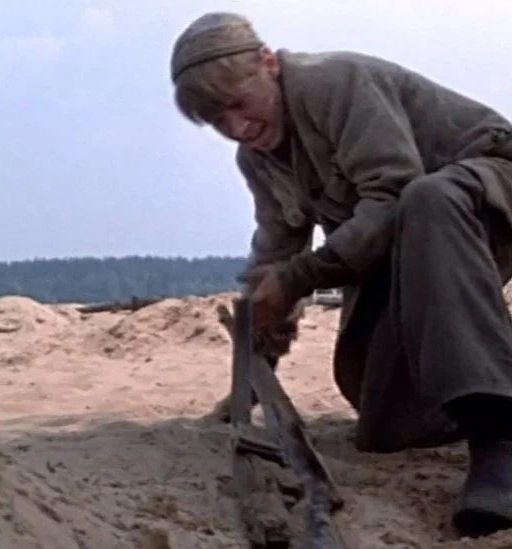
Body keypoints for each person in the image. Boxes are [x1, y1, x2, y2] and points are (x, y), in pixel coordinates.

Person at [169, 11, 512, 538]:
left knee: (428, 197)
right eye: (218, 120)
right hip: (411, 250)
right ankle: (486, 378)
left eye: (238, 103)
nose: (237, 128)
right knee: (384, 423)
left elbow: (393, 192)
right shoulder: (257, 160)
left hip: (488, 196)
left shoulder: (334, 83)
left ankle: (499, 435)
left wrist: (298, 277)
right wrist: (254, 362)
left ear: (268, 63)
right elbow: (274, 255)